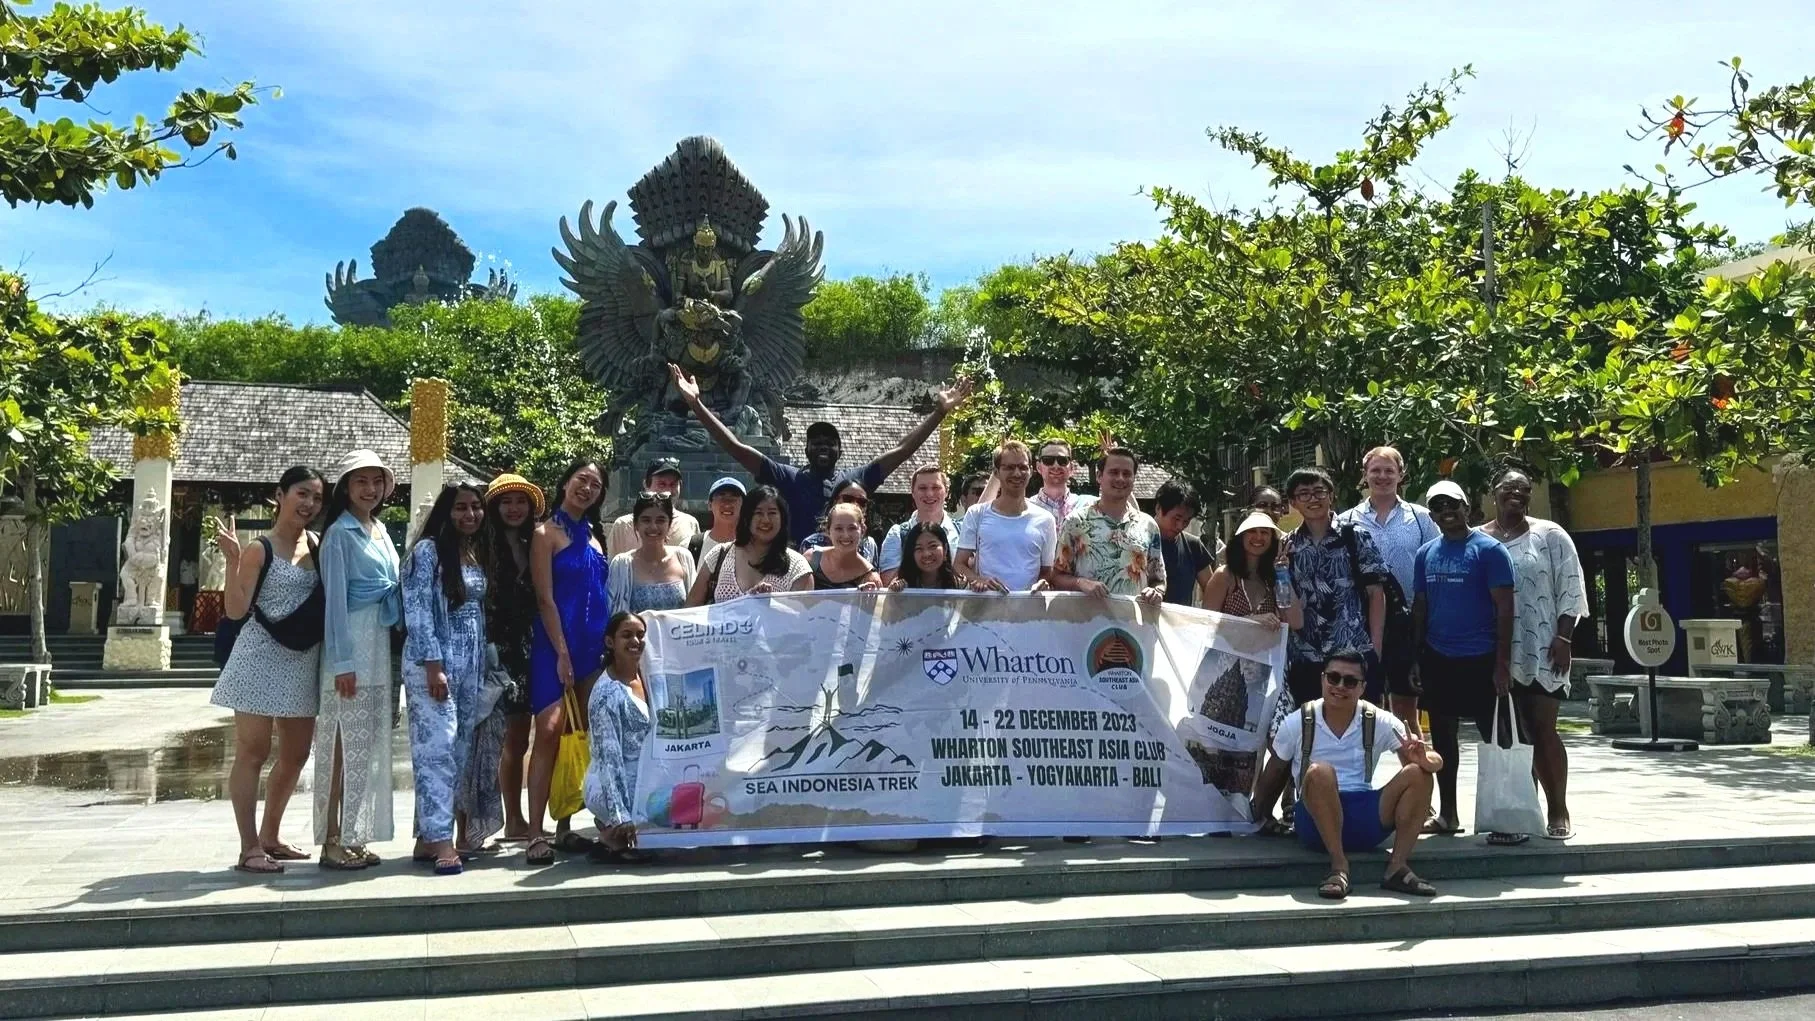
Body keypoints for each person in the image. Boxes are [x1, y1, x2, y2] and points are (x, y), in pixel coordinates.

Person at [670, 361, 970, 544]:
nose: (823, 446)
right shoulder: (788, 478)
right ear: (806, 449)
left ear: (840, 450)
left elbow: (903, 450)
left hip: (847, 565)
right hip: (800, 568)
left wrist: (939, 412)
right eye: (816, 442)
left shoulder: (854, 481)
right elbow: (736, 447)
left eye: (830, 442)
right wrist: (697, 404)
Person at [1252, 650, 1443, 900]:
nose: (1340, 686)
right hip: (1315, 822)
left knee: (1419, 773)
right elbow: (1274, 771)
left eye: (1350, 681)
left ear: (1362, 687)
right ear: (1323, 679)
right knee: (1319, 772)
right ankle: (1339, 867)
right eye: (1333, 678)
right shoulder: (1297, 721)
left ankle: (1397, 867)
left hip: (1366, 818)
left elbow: (1435, 761)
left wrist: (1422, 759)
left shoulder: (1378, 719)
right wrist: (1259, 814)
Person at [210, 466, 326, 874]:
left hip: (302, 658)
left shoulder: (318, 545)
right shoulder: (260, 549)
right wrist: (232, 560)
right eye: (301, 493)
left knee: (296, 754)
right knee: (253, 751)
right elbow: (235, 610)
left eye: (316, 497)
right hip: (258, 657)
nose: (309, 503)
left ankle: (271, 836)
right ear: (280, 495)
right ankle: (249, 847)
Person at [1480, 467, 1586, 841]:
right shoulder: (1479, 539)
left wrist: (1564, 638)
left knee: (1542, 729)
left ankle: (1558, 808)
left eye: (1524, 489)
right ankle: (1521, 813)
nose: (1517, 494)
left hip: (1542, 648)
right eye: (1509, 488)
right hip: (1496, 652)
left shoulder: (1551, 535)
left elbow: (1571, 588)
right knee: (1511, 734)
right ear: (1493, 492)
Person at [1411, 478, 1516, 841]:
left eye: (1452, 504)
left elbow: (1506, 610)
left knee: (1497, 741)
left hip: (1482, 658)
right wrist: (1416, 657)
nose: (1446, 512)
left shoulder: (1490, 550)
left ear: (1466, 507)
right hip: (1439, 658)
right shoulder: (1425, 553)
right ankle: (1448, 815)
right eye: (1438, 507)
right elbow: (1420, 607)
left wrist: (1502, 664)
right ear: (1432, 515)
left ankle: (1506, 816)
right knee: (1443, 741)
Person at [401, 483, 499, 875]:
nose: (470, 514)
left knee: (458, 751)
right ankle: (442, 842)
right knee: (436, 750)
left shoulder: (474, 551)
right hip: (433, 662)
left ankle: (428, 838)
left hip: (469, 661)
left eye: (476, 507)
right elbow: (418, 610)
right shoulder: (427, 552)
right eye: (460, 508)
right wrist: (433, 664)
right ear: (446, 511)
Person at [314, 450, 402, 870]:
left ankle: (355, 834)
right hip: (350, 648)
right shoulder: (338, 535)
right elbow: (334, 604)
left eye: (376, 481)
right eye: (361, 481)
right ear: (346, 488)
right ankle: (332, 838)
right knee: (339, 747)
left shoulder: (379, 529)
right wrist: (342, 663)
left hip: (380, 645)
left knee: (364, 748)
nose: (370, 489)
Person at [524, 458, 612, 865]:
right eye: (582, 479)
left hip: (592, 648)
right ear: (565, 483)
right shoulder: (545, 533)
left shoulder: (595, 536)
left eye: (595, 484)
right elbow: (544, 599)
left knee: (586, 733)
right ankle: (534, 832)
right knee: (549, 731)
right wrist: (561, 652)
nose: (587, 488)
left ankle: (565, 825)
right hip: (554, 645)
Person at [1335, 446, 1437, 730]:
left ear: (1401, 475)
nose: (1382, 476)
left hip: (1407, 624)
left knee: (1406, 714)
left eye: (1389, 470)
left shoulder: (1421, 518)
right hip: (1359, 623)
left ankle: (1412, 759)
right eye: (1375, 470)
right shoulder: (1346, 521)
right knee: (1364, 709)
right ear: (1365, 475)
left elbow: (1434, 564)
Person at [1282, 466, 1388, 707]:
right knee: (1310, 725)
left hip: (1353, 653)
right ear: (1293, 502)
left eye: (1319, 491)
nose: (1313, 499)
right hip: (1306, 657)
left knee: (1361, 724)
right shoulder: (1288, 545)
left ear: (1331, 496)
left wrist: (1375, 649)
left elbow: (1376, 593)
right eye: (1304, 494)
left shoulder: (1355, 536)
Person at [481, 473, 543, 844]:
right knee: (501, 738)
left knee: (523, 737)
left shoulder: (535, 542)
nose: (514, 508)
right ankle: (508, 817)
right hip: (494, 649)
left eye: (521, 501)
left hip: (533, 646)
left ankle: (521, 818)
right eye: (506, 502)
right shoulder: (481, 547)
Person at [584, 611, 655, 866]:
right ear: (610, 642)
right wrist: (620, 815)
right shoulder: (606, 694)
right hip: (610, 784)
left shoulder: (650, 675)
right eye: (627, 635)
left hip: (646, 774)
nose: (635, 641)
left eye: (640, 635)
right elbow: (609, 759)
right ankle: (612, 832)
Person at [1054, 446, 1165, 604]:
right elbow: (1056, 576)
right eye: (1114, 472)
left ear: (1134, 479)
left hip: (1132, 618)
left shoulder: (1148, 526)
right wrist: (1080, 583)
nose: (1120, 478)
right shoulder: (1076, 522)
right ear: (1099, 476)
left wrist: (1156, 592)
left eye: (1127, 474)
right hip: (1087, 618)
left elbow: (1158, 580)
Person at [954, 440, 1057, 593]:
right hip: (987, 605)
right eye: (1009, 467)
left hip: (1028, 606)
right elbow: (958, 565)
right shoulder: (977, 514)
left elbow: (1047, 571)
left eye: (1022, 467)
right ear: (996, 473)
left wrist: (1043, 583)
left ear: (1031, 471)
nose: (1017, 473)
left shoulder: (1046, 519)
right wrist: (978, 580)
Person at [686, 485, 814, 605]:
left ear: (782, 518)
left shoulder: (798, 568)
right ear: (747, 518)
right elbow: (691, 610)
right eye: (758, 513)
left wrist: (771, 605)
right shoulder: (718, 555)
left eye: (772, 513)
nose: (765, 520)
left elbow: (802, 618)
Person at [609, 492, 698, 614]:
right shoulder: (621, 565)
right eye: (646, 520)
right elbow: (613, 614)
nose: (653, 527)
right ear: (636, 525)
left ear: (669, 524)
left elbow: (695, 610)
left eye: (660, 520)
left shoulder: (683, 558)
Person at [878, 465, 958, 587]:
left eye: (936, 487)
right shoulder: (898, 534)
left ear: (946, 492)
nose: (929, 494)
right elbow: (888, 583)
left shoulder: (962, 530)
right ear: (913, 493)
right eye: (922, 488)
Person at [606, 458, 701, 556]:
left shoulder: (690, 524)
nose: (668, 491)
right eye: (662, 484)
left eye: (673, 484)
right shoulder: (623, 526)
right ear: (646, 485)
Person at [1154, 480, 1219, 607]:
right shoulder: (1138, 541)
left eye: (1186, 521)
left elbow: (1212, 592)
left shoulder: (1193, 546)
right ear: (1158, 508)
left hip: (1180, 618)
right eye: (1176, 518)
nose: (1180, 526)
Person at [800, 478, 879, 561]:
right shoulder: (811, 544)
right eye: (847, 499)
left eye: (862, 501)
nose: (855, 504)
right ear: (835, 501)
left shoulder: (869, 544)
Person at [809, 502, 881, 590]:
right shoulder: (811, 559)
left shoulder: (870, 579)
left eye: (852, 528)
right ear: (828, 530)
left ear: (862, 530)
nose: (846, 535)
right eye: (839, 528)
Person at [1030, 438, 1097, 522]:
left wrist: (1111, 458)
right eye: (1048, 460)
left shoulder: (1088, 505)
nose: (1056, 465)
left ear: (1072, 468)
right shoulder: (1027, 508)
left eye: (1062, 460)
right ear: (1038, 467)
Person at [889, 521, 964, 591]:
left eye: (933, 546)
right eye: (919, 548)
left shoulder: (960, 585)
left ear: (945, 549)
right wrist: (896, 590)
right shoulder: (902, 586)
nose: (926, 554)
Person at [687, 477, 744, 564]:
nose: (727, 505)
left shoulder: (755, 549)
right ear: (710, 505)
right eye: (721, 497)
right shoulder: (689, 546)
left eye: (733, 498)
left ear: (744, 506)